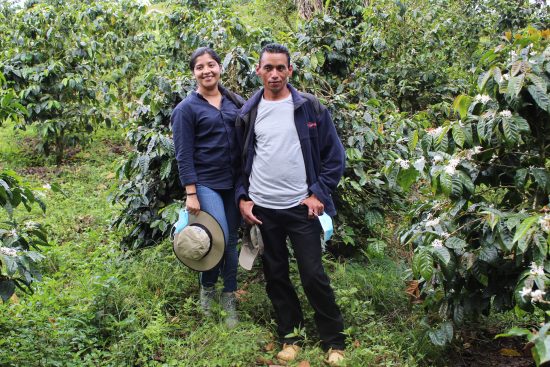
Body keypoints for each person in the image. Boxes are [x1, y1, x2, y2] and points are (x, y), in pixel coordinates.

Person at [235, 43, 346, 366]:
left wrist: (318, 194)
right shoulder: (248, 113)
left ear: (290, 71)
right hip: (263, 211)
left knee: (313, 274)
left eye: (280, 68)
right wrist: (243, 198)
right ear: (258, 71)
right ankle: (291, 337)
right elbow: (238, 161)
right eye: (268, 68)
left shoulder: (309, 107)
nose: (274, 74)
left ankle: (334, 341)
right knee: (276, 275)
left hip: (301, 208)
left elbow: (334, 157)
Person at [171, 47, 244, 328]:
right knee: (217, 239)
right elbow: (183, 154)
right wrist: (191, 192)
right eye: (200, 67)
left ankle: (229, 296)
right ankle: (207, 290)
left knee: (231, 240)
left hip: (234, 183)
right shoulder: (186, 109)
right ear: (194, 73)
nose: (207, 71)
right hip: (205, 183)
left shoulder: (234, 101)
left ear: (220, 68)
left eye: (211, 64)